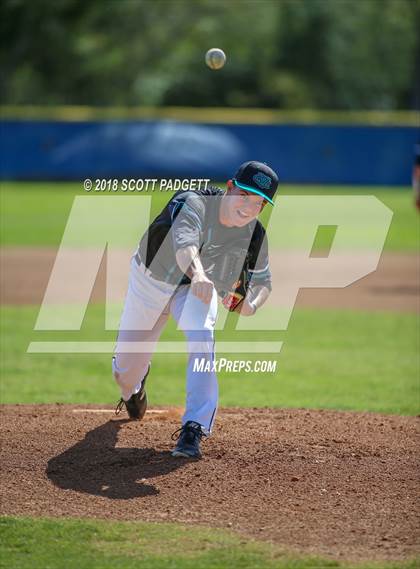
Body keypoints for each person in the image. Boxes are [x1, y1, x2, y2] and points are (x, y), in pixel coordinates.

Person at [113, 161, 279, 458]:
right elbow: (184, 244)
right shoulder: (193, 203)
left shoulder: (254, 234)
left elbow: (264, 280)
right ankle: (134, 387)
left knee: (202, 334)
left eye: (259, 203)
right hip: (150, 282)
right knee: (125, 372)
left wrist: (251, 306)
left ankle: (194, 428)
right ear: (229, 187)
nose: (248, 207)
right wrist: (200, 273)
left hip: (193, 290)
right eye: (244, 195)